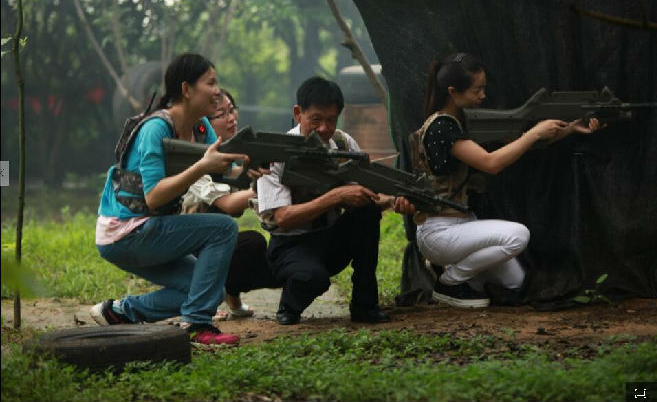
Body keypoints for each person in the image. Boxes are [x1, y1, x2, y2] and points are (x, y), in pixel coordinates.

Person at [412, 52, 603, 308]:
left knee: (516, 282)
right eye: (477, 90)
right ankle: (449, 281)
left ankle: (456, 273)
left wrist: (570, 128)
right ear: (452, 92)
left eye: (484, 88)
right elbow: (491, 163)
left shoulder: (460, 121)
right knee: (518, 236)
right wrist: (534, 132)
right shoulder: (441, 128)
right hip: (439, 230)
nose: (483, 95)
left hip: (463, 224)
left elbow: (520, 145)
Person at [90, 53, 248, 345]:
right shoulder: (156, 128)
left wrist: (255, 171)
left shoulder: (201, 126)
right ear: (186, 89)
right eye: (210, 83)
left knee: (205, 289)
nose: (217, 91)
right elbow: (153, 197)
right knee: (223, 228)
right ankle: (197, 324)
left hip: (144, 229)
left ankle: (120, 312)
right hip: (125, 231)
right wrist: (202, 166)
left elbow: (226, 172)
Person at [256, 76, 415, 325]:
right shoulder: (276, 153)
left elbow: (367, 193)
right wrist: (336, 196)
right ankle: (289, 303)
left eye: (331, 120)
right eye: (316, 119)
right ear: (298, 114)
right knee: (312, 278)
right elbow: (283, 218)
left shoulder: (343, 144)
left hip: (330, 240)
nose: (324, 128)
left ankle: (365, 305)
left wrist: (395, 200)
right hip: (290, 246)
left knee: (367, 212)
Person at [181, 89, 281, 319]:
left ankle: (232, 301)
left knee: (267, 255)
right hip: (188, 246)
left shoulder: (229, 159)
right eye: (221, 114)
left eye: (232, 110)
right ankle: (203, 300)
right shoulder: (196, 161)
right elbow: (229, 204)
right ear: (203, 124)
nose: (231, 118)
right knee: (249, 242)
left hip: (210, 240)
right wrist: (262, 188)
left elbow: (241, 186)